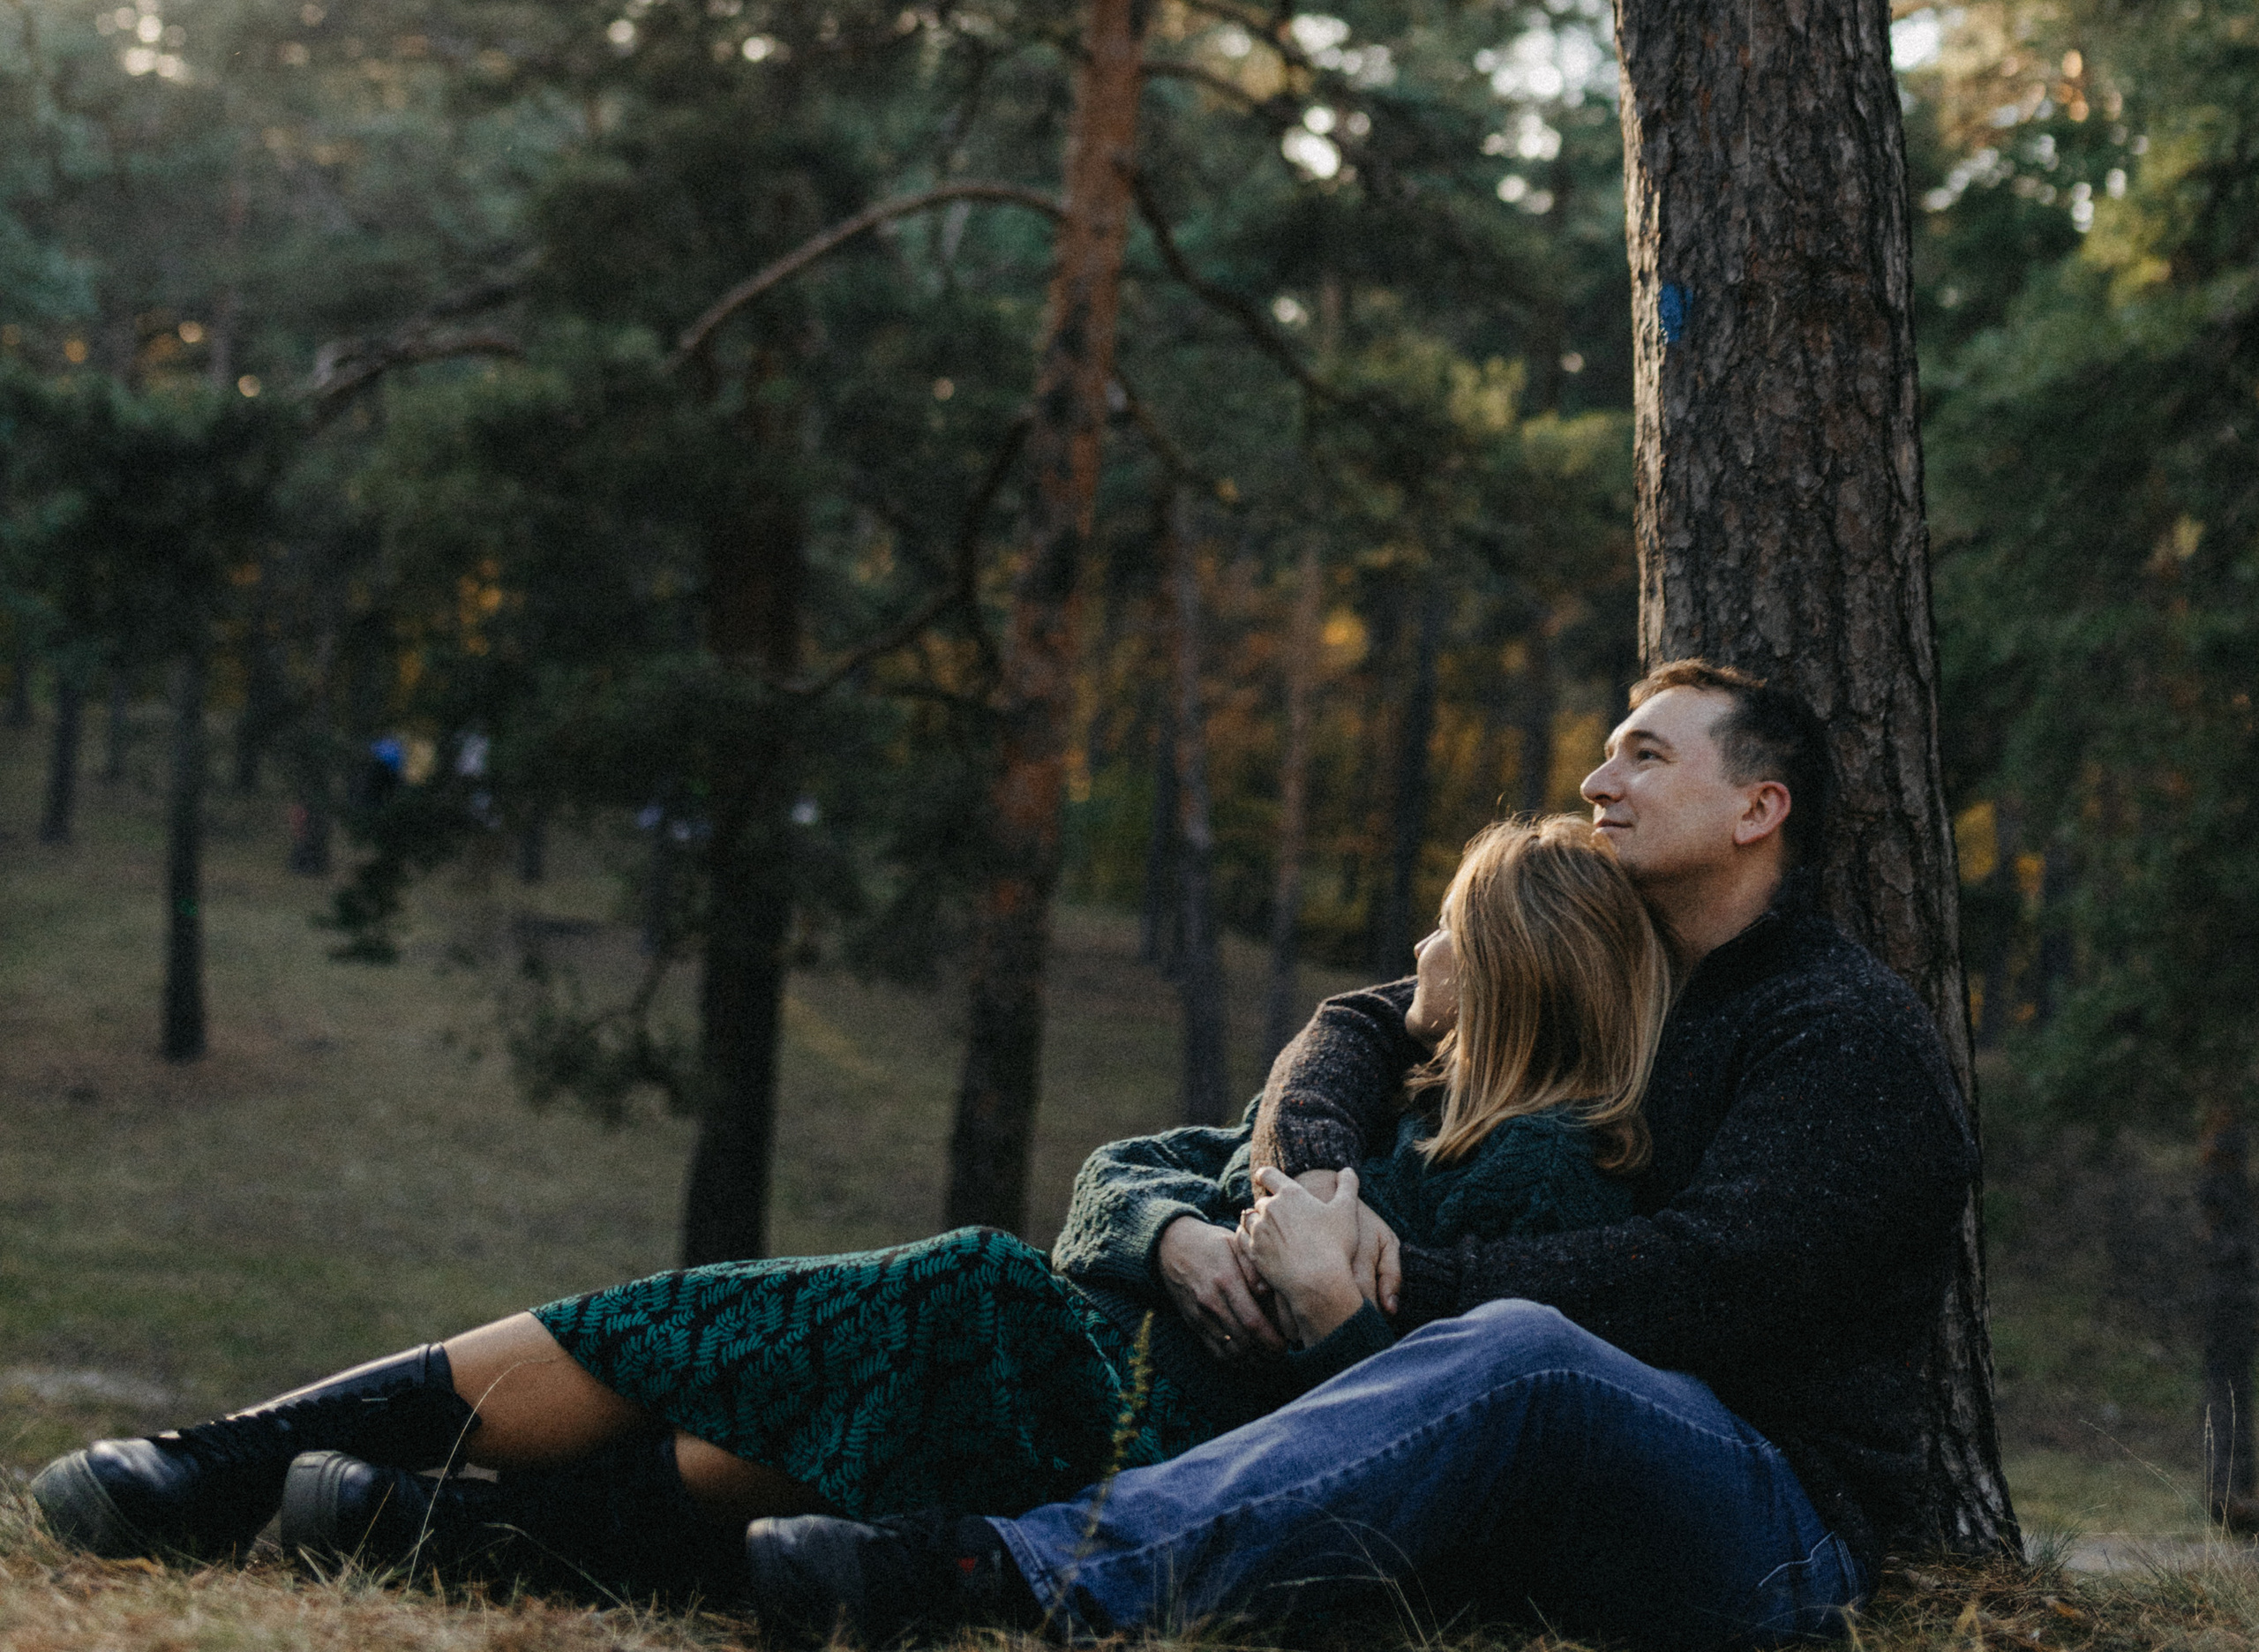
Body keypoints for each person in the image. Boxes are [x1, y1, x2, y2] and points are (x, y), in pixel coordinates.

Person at [30, 811, 1665, 1601]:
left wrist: (1311, 1288)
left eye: (1447, 927)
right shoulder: (1370, 1097)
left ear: (1511, 964)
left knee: (939, 1296)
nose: (1416, 952)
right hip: (1091, 1366)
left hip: (1171, 1447)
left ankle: (251, 1474)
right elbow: (1123, 1172)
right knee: (828, 1366)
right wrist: (1174, 1235)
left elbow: (1422, 1381)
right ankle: (383, 1515)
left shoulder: (1546, 1159)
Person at [739, 658, 1982, 1652]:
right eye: (1610, 751)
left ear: (1759, 810)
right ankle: (665, 1507)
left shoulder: (1841, 1030)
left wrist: (1395, 1279)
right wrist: (1320, 1190)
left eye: (1645, 757)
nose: (1597, 780)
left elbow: (1710, 1280)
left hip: (1770, 1519)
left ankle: (1004, 1574)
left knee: (1525, 1353)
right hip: (1562, 1473)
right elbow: (1359, 1024)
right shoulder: (1625, 971)